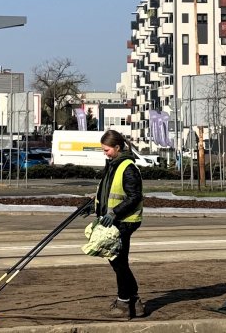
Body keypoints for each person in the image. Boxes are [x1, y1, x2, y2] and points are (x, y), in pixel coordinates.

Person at [95, 129, 144, 319]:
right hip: (117, 219)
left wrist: (114, 213)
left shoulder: (128, 168)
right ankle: (133, 301)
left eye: (106, 150)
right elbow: (107, 193)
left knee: (118, 261)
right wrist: (95, 208)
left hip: (125, 221)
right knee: (118, 261)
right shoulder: (113, 165)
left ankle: (126, 301)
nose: (104, 153)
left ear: (117, 147)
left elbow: (134, 197)